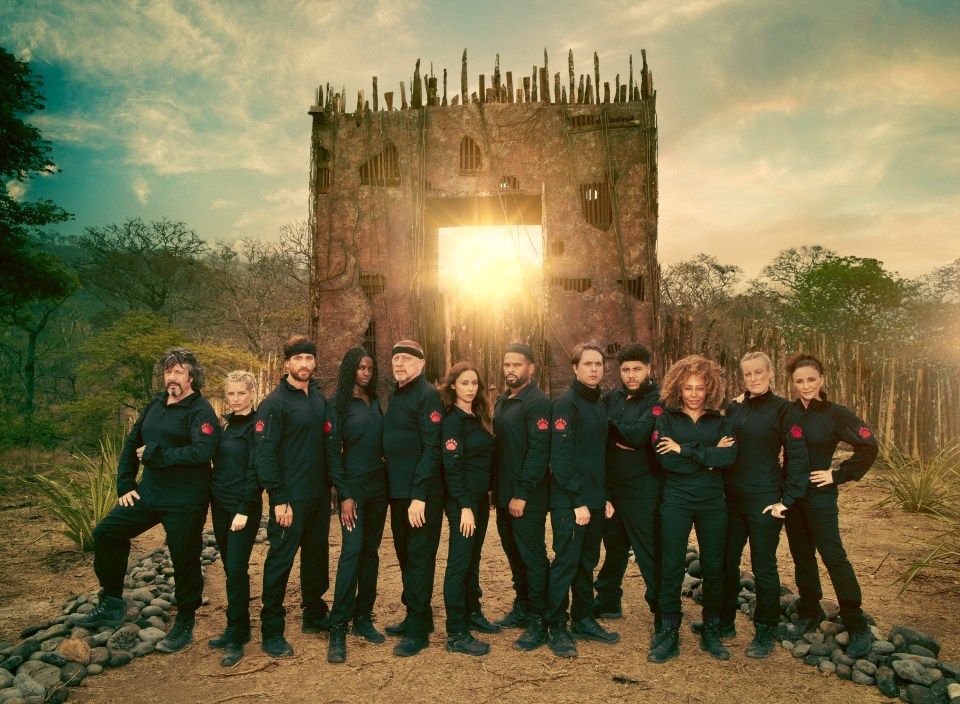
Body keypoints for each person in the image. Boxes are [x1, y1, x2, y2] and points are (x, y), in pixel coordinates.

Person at [71, 348, 220, 654]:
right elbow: (132, 443)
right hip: (149, 494)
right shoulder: (156, 404)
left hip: (185, 501)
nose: (172, 377)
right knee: (107, 533)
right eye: (168, 371)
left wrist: (156, 455)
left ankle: (185, 621)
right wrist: (125, 482)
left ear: (192, 375)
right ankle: (112, 602)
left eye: (178, 371)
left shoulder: (200, 409)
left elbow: (202, 452)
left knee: (184, 559)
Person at [783, 352, 878, 658]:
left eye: (811, 379)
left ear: (822, 379)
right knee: (801, 555)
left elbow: (868, 446)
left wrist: (838, 474)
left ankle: (855, 622)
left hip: (821, 496)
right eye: (799, 381)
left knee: (833, 556)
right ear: (792, 383)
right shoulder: (787, 412)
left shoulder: (837, 414)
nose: (806, 386)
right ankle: (810, 611)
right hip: (792, 496)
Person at [717, 351, 810, 658]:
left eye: (759, 372)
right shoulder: (734, 408)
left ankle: (765, 630)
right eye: (747, 374)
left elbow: (797, 456)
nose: (753, 378)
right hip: (731, 498)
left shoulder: (784, 410)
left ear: (770, 373)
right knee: (726, 562)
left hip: (764, 500)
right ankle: (724, 622)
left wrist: (788, 499)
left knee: (763, 567)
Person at [648, 355, 737, 663]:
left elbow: (730, 458)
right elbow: (665, 460)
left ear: (709, 388)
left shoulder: (720, 420)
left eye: (701, 387)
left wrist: (684, 450)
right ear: (679, 388)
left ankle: (711, 629)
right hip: (677, 500)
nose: (695, 394)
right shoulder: (666, 418)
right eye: (688, 387)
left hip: (713, 503)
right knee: (672, 565)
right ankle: (668, 630)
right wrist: (708, 458)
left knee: (714, 566)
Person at [255, 335, 331, 658]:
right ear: (286, 363)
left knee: (316, 559)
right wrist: (279, 498)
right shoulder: (274, 403)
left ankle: (314, 615)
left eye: (308, 359)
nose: (304, 364)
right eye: (297, 359)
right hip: (290, 499)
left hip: (317, 496)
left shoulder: (317, 398)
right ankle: (272, 630)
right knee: (280, 563)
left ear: (314, 363)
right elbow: (265, 453)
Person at [544, 343, 619, 658]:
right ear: (574, 368)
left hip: (595, 501)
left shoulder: (599, 404)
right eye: (587, 364)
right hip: (570, 503)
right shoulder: (566, 404)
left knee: (587, 562)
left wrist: (606, 497)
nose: (593, 369)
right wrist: (577, 501)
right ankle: (556, 626)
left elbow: (599, 456)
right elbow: (559, 460)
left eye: (598, 364)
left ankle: (584, 619)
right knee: (566, 563)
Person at [594, 343, 663, 643]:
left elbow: (638, 435)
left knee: (649, 552)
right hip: (612, 489)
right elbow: (599, 432)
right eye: (625, 370)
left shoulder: (658, 399)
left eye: (637, 369)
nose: (631, 375)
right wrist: (618, 432)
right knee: (614, 549)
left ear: (649, 367)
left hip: (643, 489)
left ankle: (663, 612)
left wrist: (614, 429)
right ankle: (608, 601)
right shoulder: (612, 397)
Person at [325, 348, 389, 664]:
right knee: (352, 551)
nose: (366, 372)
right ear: (350, 369)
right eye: (361, 368)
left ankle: (363, 617)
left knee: (370, 552)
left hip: (379, 489)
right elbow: (332, 454)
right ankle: (339, 625)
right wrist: (344, 494)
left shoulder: (374, 401)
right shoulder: (337, 406)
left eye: (370, 368)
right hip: (354, 490)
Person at [382, 339, 444, 657]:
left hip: (421, 497)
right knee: (406, 557)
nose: (399, 364)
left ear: (421, 364)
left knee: (419, 560)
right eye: (395, 360)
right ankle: (416, 616)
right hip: (398, 494)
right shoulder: (396, 395)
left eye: (406, 359)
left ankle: (418, 631)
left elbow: (433, 447)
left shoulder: (427, 395)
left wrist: (419, 494)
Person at [491, 343, 551, 651]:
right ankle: (524, 605)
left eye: (517, 364)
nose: (511, 369)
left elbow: (539, 451)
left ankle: (541, 619)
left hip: (526, 497)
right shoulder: (504, 399)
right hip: (504, 495)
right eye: (506, 364)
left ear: (531, 368)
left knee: (532, 556)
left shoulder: (537, 402)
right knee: (515, 556)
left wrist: (522, 493)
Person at [439, 361, 498, 656]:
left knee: (473, 559)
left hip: (479, 500)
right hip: (462, 502)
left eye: (474, 383)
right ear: (453, 386)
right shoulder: (452, 421)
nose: (470, 388)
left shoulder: (480, 415)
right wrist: (464, 506)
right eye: (464, 383)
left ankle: (473, 612)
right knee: (459, 563)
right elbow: (452, 467)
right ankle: (456, 633)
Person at [208, 371, 263, 667]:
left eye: (241, 393)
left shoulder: (258, 426)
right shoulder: (225, 426)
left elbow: (257, 471)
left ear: (252, 393)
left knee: (237, 569)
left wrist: (244, 507)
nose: (236, 398)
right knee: (229, 569)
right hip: (219, 505)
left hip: (243, 507)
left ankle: (239, 634)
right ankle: (234, 625)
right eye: (231, 393)